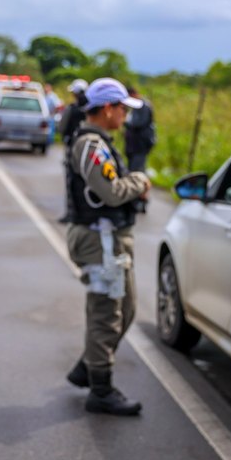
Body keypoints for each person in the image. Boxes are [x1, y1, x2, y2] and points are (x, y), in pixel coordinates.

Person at [64, 78, 151, 416]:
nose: (125, 117)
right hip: (98, 238)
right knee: (106, 315)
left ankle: (87, 368)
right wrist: (140, 181)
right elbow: (111, 192)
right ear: (108, 108)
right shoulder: (90, 145)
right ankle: (100, 389)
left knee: (126, 310)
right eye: (122, 110)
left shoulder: (99, 142)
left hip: (108, 236)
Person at [56, 78, 89, 223]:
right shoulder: (92, 109)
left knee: (72, 181)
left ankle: (72, 213)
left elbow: (61, 127)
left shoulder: (72, 109)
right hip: (89, 150)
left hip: (73, 149)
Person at [123, 86, 156, 213]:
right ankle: (137, 199)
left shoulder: (143, 106)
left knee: (138, 173)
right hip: (133, 146)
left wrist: (124, 121)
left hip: (140, 146)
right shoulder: (137, 107)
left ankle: (141, 200)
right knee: (133, 172)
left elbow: (137, 123)